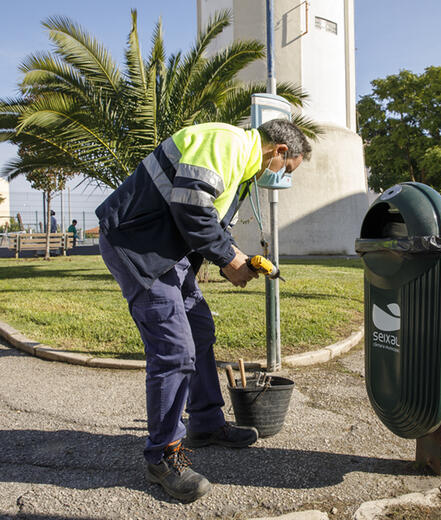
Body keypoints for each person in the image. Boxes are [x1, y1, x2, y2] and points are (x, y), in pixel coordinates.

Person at [95, 120, 311, 503]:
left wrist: (235, 257)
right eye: (288, 169)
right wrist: (230, 259)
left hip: (165, 250)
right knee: (174, 352)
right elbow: (191, 204)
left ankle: (206, 424)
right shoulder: (226, 143)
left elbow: (212, 220)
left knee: (200, 332)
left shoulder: (242, 165)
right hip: (138, 247)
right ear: (278, 151)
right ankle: (163, 456)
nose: (282, 177)